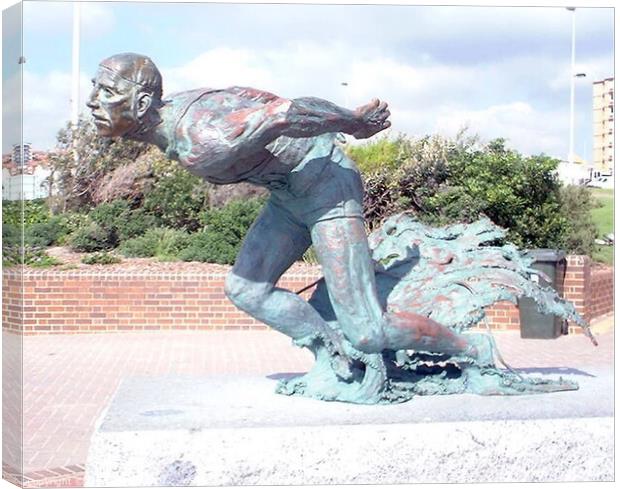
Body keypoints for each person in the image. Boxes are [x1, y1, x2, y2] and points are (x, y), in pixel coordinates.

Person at [87, 53, 488, 370]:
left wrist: (354, 123)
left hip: (327, 190)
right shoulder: (171, 112)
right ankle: (336, 357)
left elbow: (286, 113)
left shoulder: (202, 139)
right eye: (95, 89)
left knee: (368, 331)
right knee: (246, 289)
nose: (92, 101)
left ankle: (475, 349)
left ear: (141, 103)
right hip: (289, 197)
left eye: (105, 92)